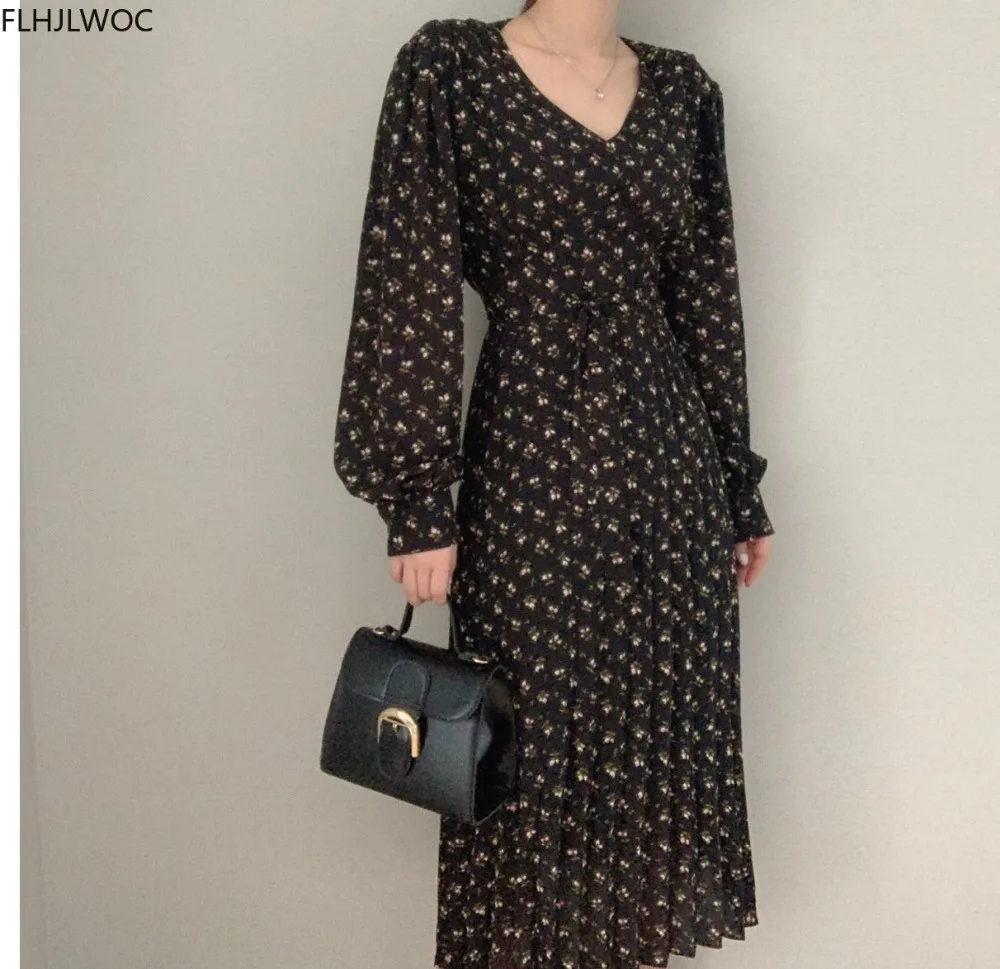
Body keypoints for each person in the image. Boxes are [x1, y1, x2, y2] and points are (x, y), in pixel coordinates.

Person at [332, 1, 776, 967]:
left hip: (669, 476)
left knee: (651, 759)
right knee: (528, 756)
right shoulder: (451, 68)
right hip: (529, 466)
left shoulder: (684, 92)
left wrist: (736, 487)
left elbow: (706, 297)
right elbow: (407, 277)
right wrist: (418, 498)